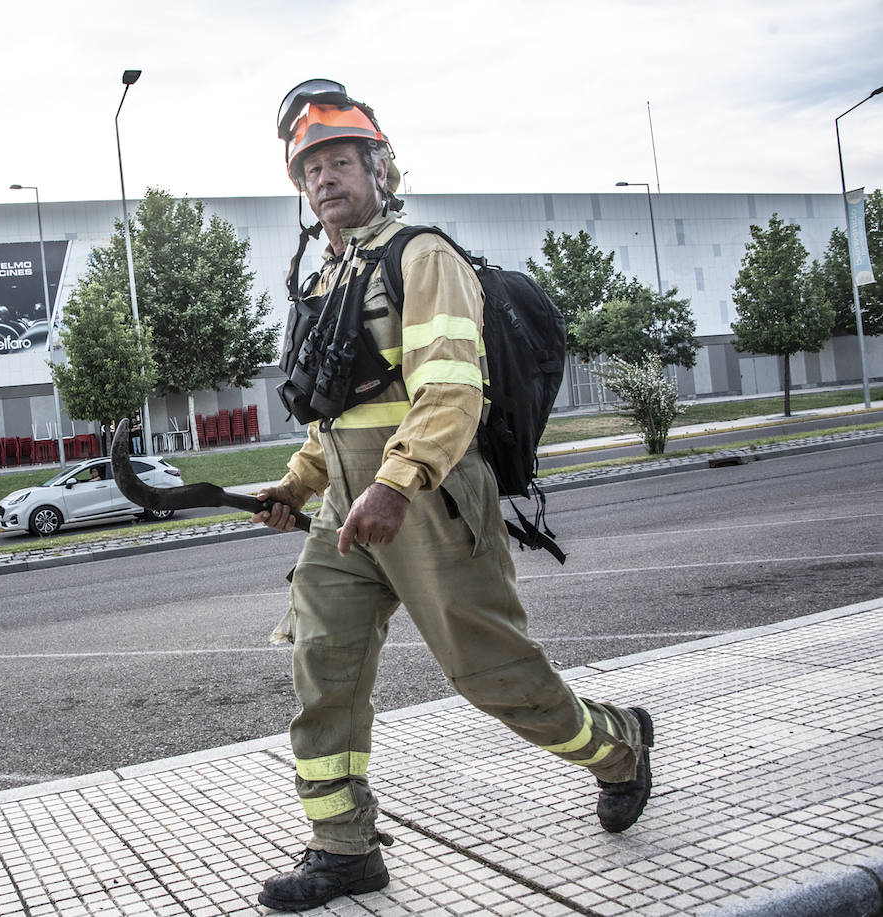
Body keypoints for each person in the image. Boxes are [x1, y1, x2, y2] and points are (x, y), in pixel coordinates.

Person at [250, 79, 655, 912]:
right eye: (311, 168)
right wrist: (298, 483)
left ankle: (620, 747)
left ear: (379, 168)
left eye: (340, 160)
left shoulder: (421, 256)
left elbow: (449, 391)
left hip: (428, 495)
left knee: (492, 674)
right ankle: (344, 847)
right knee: (321, 664)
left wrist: (396, 482)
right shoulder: (327, 278)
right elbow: (337, 411)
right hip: (347, 505)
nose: (325, 178)